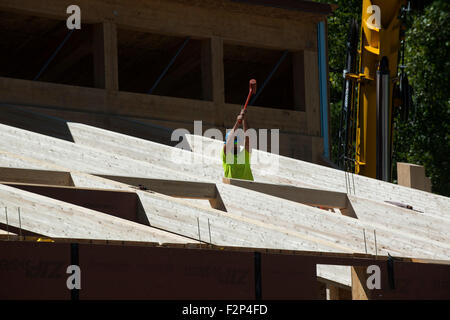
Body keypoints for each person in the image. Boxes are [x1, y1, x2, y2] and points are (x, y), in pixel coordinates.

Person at [221, 108, 254, 181]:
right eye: (233, 140)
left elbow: (248, 139)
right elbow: (229, 142)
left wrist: (244, 120)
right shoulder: (227, 156)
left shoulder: (245, 155)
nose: (234, 143)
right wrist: (237, 123)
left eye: (236, 140)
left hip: (249, 189)